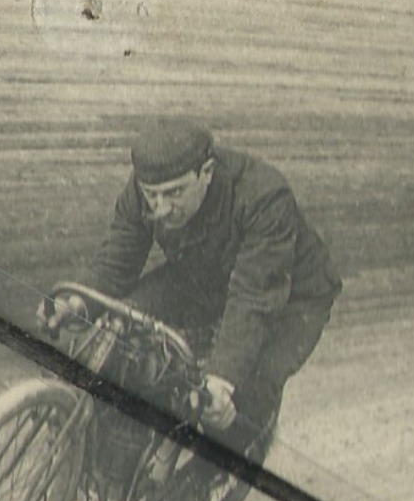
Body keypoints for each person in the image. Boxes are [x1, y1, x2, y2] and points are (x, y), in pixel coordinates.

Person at [38, 118, 342, 465]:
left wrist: (223, 378)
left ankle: (197, 488)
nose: (161, 208)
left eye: (175, 193)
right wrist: (79, 301)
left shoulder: (265, 197)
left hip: (289, 296)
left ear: (207, 171)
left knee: (245, 388)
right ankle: (113, 454)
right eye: (152, 196)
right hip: (201, 277)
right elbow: (118, 257)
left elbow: (253, 299)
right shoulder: (147, 189)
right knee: (119, 324)